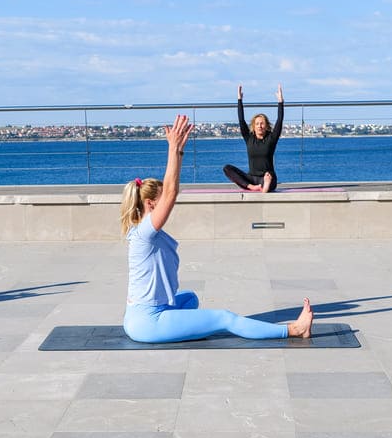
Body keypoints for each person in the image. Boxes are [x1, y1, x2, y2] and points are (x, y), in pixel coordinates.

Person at [121, 114, 313, 343]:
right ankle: (294, 330)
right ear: (151, 203)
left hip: (139, 315)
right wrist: (172, 149)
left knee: (190, 299)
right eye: (161, 200)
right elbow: (171, 192)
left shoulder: (142, 230)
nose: (168, 203)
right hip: (148, 321)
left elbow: (170, 191)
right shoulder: (146, 232)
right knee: (225, 318)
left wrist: (180, 151)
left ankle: (182, 326)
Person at [221, 84, 284, 192]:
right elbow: (241, 120)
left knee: (270, 178)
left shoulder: (271, 139)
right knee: (227, 168)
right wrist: (239, 100)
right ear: (253, 127)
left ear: (266, 126)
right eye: (257, 124)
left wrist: (280, 102)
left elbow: (279, 121)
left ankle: (265, 185)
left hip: (266, 177)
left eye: (262, 123)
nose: (260, 126)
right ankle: (252, 187)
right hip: (251, 178)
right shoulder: (249, 138)